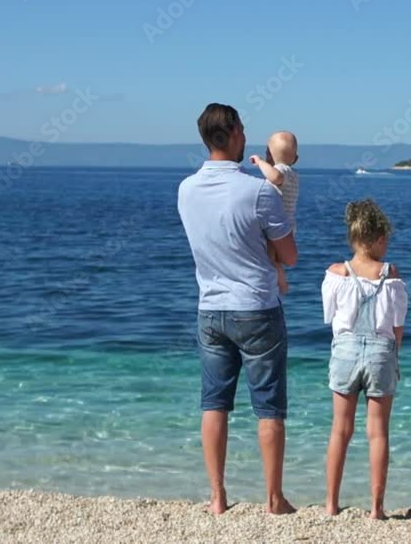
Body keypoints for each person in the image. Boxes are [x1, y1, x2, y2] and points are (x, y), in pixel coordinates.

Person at [177, 103, 298, 516]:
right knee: (269, 407)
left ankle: (217, 497)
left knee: (214, 403)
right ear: (231, 134)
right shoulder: (258, 191)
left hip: (210, 308)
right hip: (256, 307)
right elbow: (289, 255)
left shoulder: (186, 190)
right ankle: (274, 499)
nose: (246, 136)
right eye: (243, 130)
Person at [321, 199, 408, 520]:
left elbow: (329, 316)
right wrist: (393, 357)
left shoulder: (336, 273)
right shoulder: (391, 275)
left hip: (345, 352)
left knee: (340, 430)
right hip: (381, 353)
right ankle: (376, 509)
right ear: (379, 239)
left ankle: (331, 504)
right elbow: (398, 325)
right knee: (378, 432)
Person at [249, 131, 300, 295]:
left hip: (279, 224)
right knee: (275, 260)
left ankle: (281, 285)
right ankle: (282, 284)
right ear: (296, 159)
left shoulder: (281, 170)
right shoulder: (293, 174)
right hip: (288, 225)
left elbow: (275, 176)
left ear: (269, 155)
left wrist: (260, 162)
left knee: (271, 260)